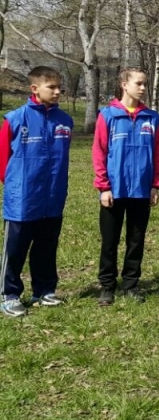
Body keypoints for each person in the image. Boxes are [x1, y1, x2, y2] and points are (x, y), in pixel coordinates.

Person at [0, 66, 73, 318]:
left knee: (46, 245)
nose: (57, 91)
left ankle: (43, 290)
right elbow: (3, 161)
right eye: (51, 87)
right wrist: (15, 186)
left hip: (52, 196)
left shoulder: (65, 120)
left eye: (58, 87)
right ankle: (9, 294)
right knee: (16, 247)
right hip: (22, 197)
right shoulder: (15, 119)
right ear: (34, 88)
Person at [92, 67, 159, 306]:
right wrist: (103, 186)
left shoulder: (151, 117)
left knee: (136, 239)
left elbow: (158, 153)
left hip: (141, 190)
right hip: (114, 189)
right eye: (139, 83)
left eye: (145, 84)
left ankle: (131, 284)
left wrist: (155, 184)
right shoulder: (108, 115)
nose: (143, 88)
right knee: (109, 240)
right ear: (124, 84)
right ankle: (107, 286)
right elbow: (99, 152)